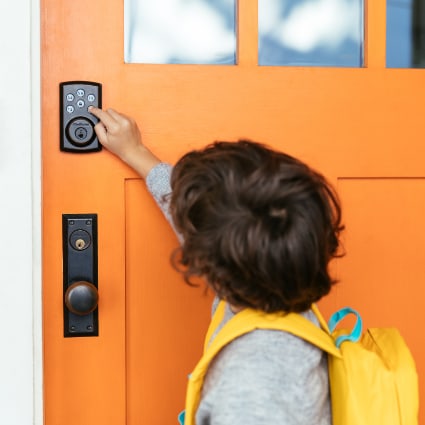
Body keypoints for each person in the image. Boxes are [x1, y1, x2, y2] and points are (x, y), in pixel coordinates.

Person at [89, 106, 344, 425]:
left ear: (210, 263)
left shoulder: (254, 383)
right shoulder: (273, 282)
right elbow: (205, 222)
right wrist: (137, 153)